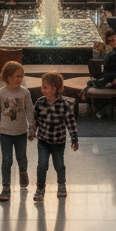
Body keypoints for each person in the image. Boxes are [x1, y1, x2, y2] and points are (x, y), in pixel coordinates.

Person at [29, 70, 78, 202]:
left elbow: (71, 123)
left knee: (59, 164)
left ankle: (61, 185)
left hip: (58, 142)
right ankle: (40, 188)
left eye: (45, 87)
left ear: (54, 89)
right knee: (42, 165)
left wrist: (74, 139)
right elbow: (34, 119)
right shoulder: (40, 103)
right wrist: (32, 131)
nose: (42, 89)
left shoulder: (64, 105)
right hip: (43, 141)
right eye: (42, 86)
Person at [0, 61, 35, 202]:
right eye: (16, 76)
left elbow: (30, 111)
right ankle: (6, 187)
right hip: (5, 133)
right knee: (6, 160)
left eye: (21, 76)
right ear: (8, 77)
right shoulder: (1, 93)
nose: (19, 79)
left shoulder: (25, 93)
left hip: (21, 132)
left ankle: (23, 172)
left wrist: (32, 128)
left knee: (21, 157)